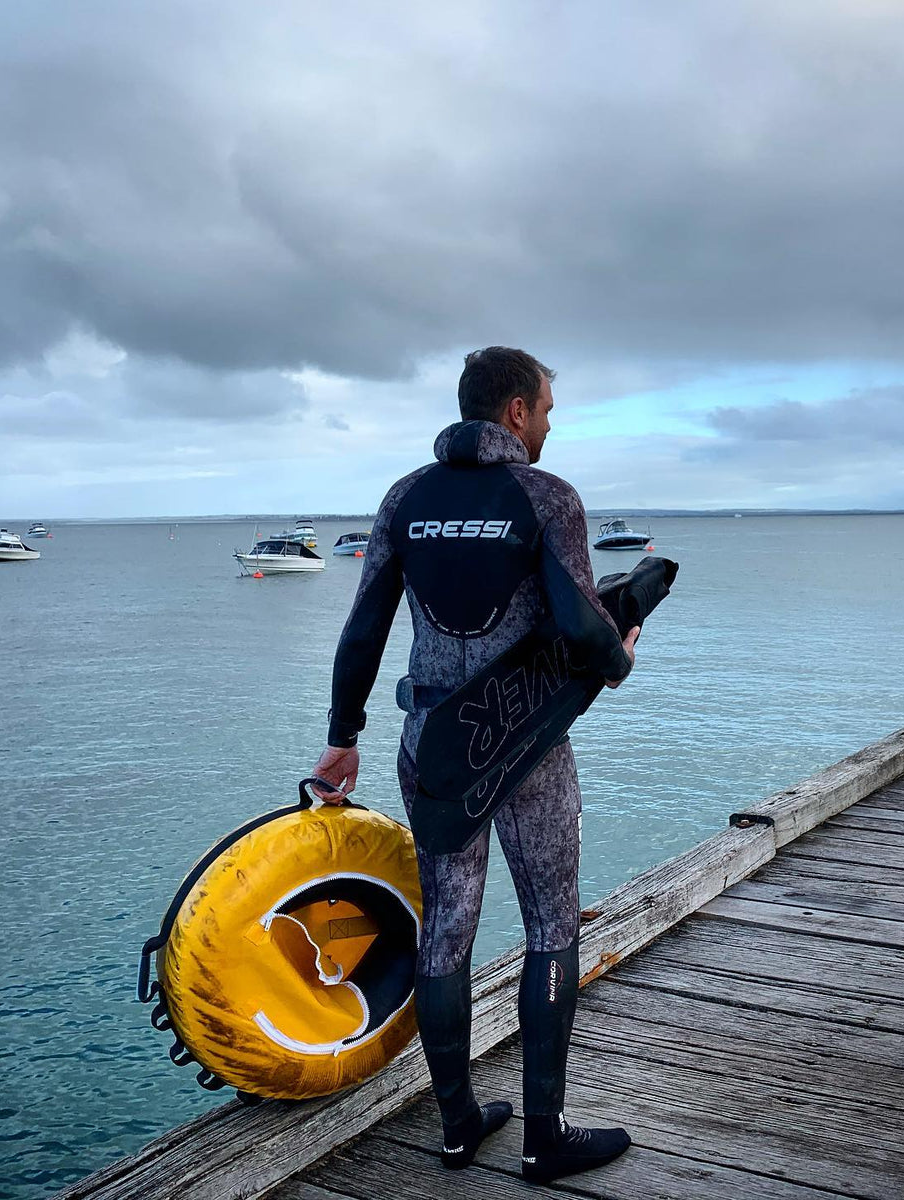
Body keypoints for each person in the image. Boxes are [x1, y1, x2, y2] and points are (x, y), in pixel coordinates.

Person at [310, 347, 639, 1184]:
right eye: (547, 411)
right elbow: (583, 627)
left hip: (431, 746)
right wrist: (620, 656)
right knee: (551, 927)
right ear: (516, 411)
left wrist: (343, 736)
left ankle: (458, 1127)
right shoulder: (546, 496)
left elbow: (363, 627)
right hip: (526, 750)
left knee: (447, 929)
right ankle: (543, 1137)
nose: (550, 426)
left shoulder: (405, 498)